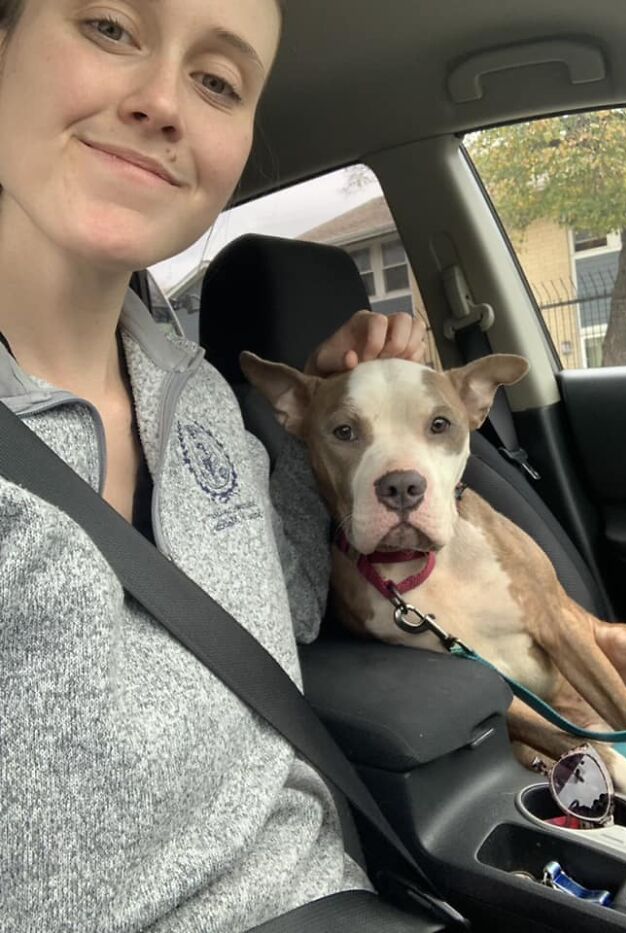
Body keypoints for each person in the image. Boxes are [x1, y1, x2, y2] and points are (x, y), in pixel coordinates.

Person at [0, 1, 425, 930]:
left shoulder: (199, 400)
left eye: (218, 82)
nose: (164, 102)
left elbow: (298, 602)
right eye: (110, 27)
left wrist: (319, 420)